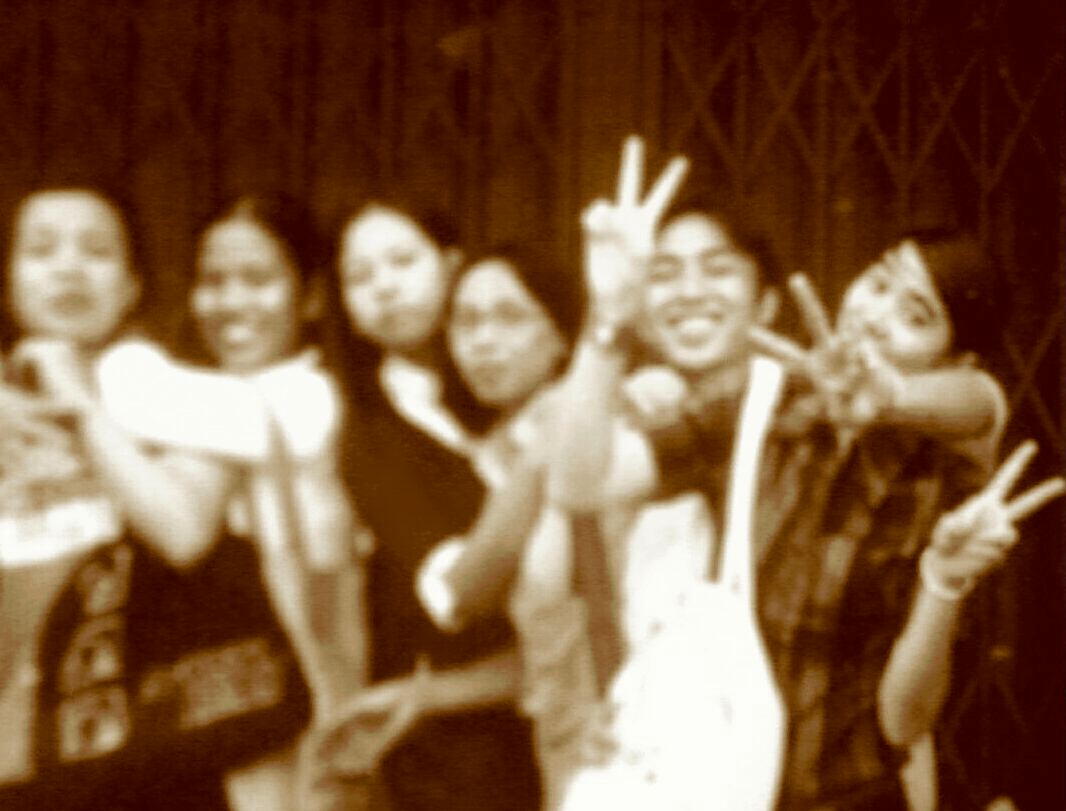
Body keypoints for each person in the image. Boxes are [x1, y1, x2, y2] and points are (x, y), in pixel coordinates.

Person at [550, 137, 1064, 809]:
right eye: (879, 283)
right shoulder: (765, 406)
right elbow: (579, 483)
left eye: (916, 317)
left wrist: (941, 577)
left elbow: (903, 721)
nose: (875, 315)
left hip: (854, 794)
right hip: (726, 789)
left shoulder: (949, 470)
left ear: (954, 355)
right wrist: (608, 319)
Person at [0, 186, 235, 809]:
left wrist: (80, 406)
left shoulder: (186, 397)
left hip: (147, 766)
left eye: (97, 250)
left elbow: (183, 534)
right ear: (9, 282)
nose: (69, 267)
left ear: (132, 286)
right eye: (41, 250)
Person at [315, 198, 542, 810]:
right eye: (359, 277)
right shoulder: (366, 436)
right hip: (456, 748)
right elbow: (455, 594)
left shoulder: (520, 388)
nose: (384, 287)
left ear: (452, 265)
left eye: (402, 261)